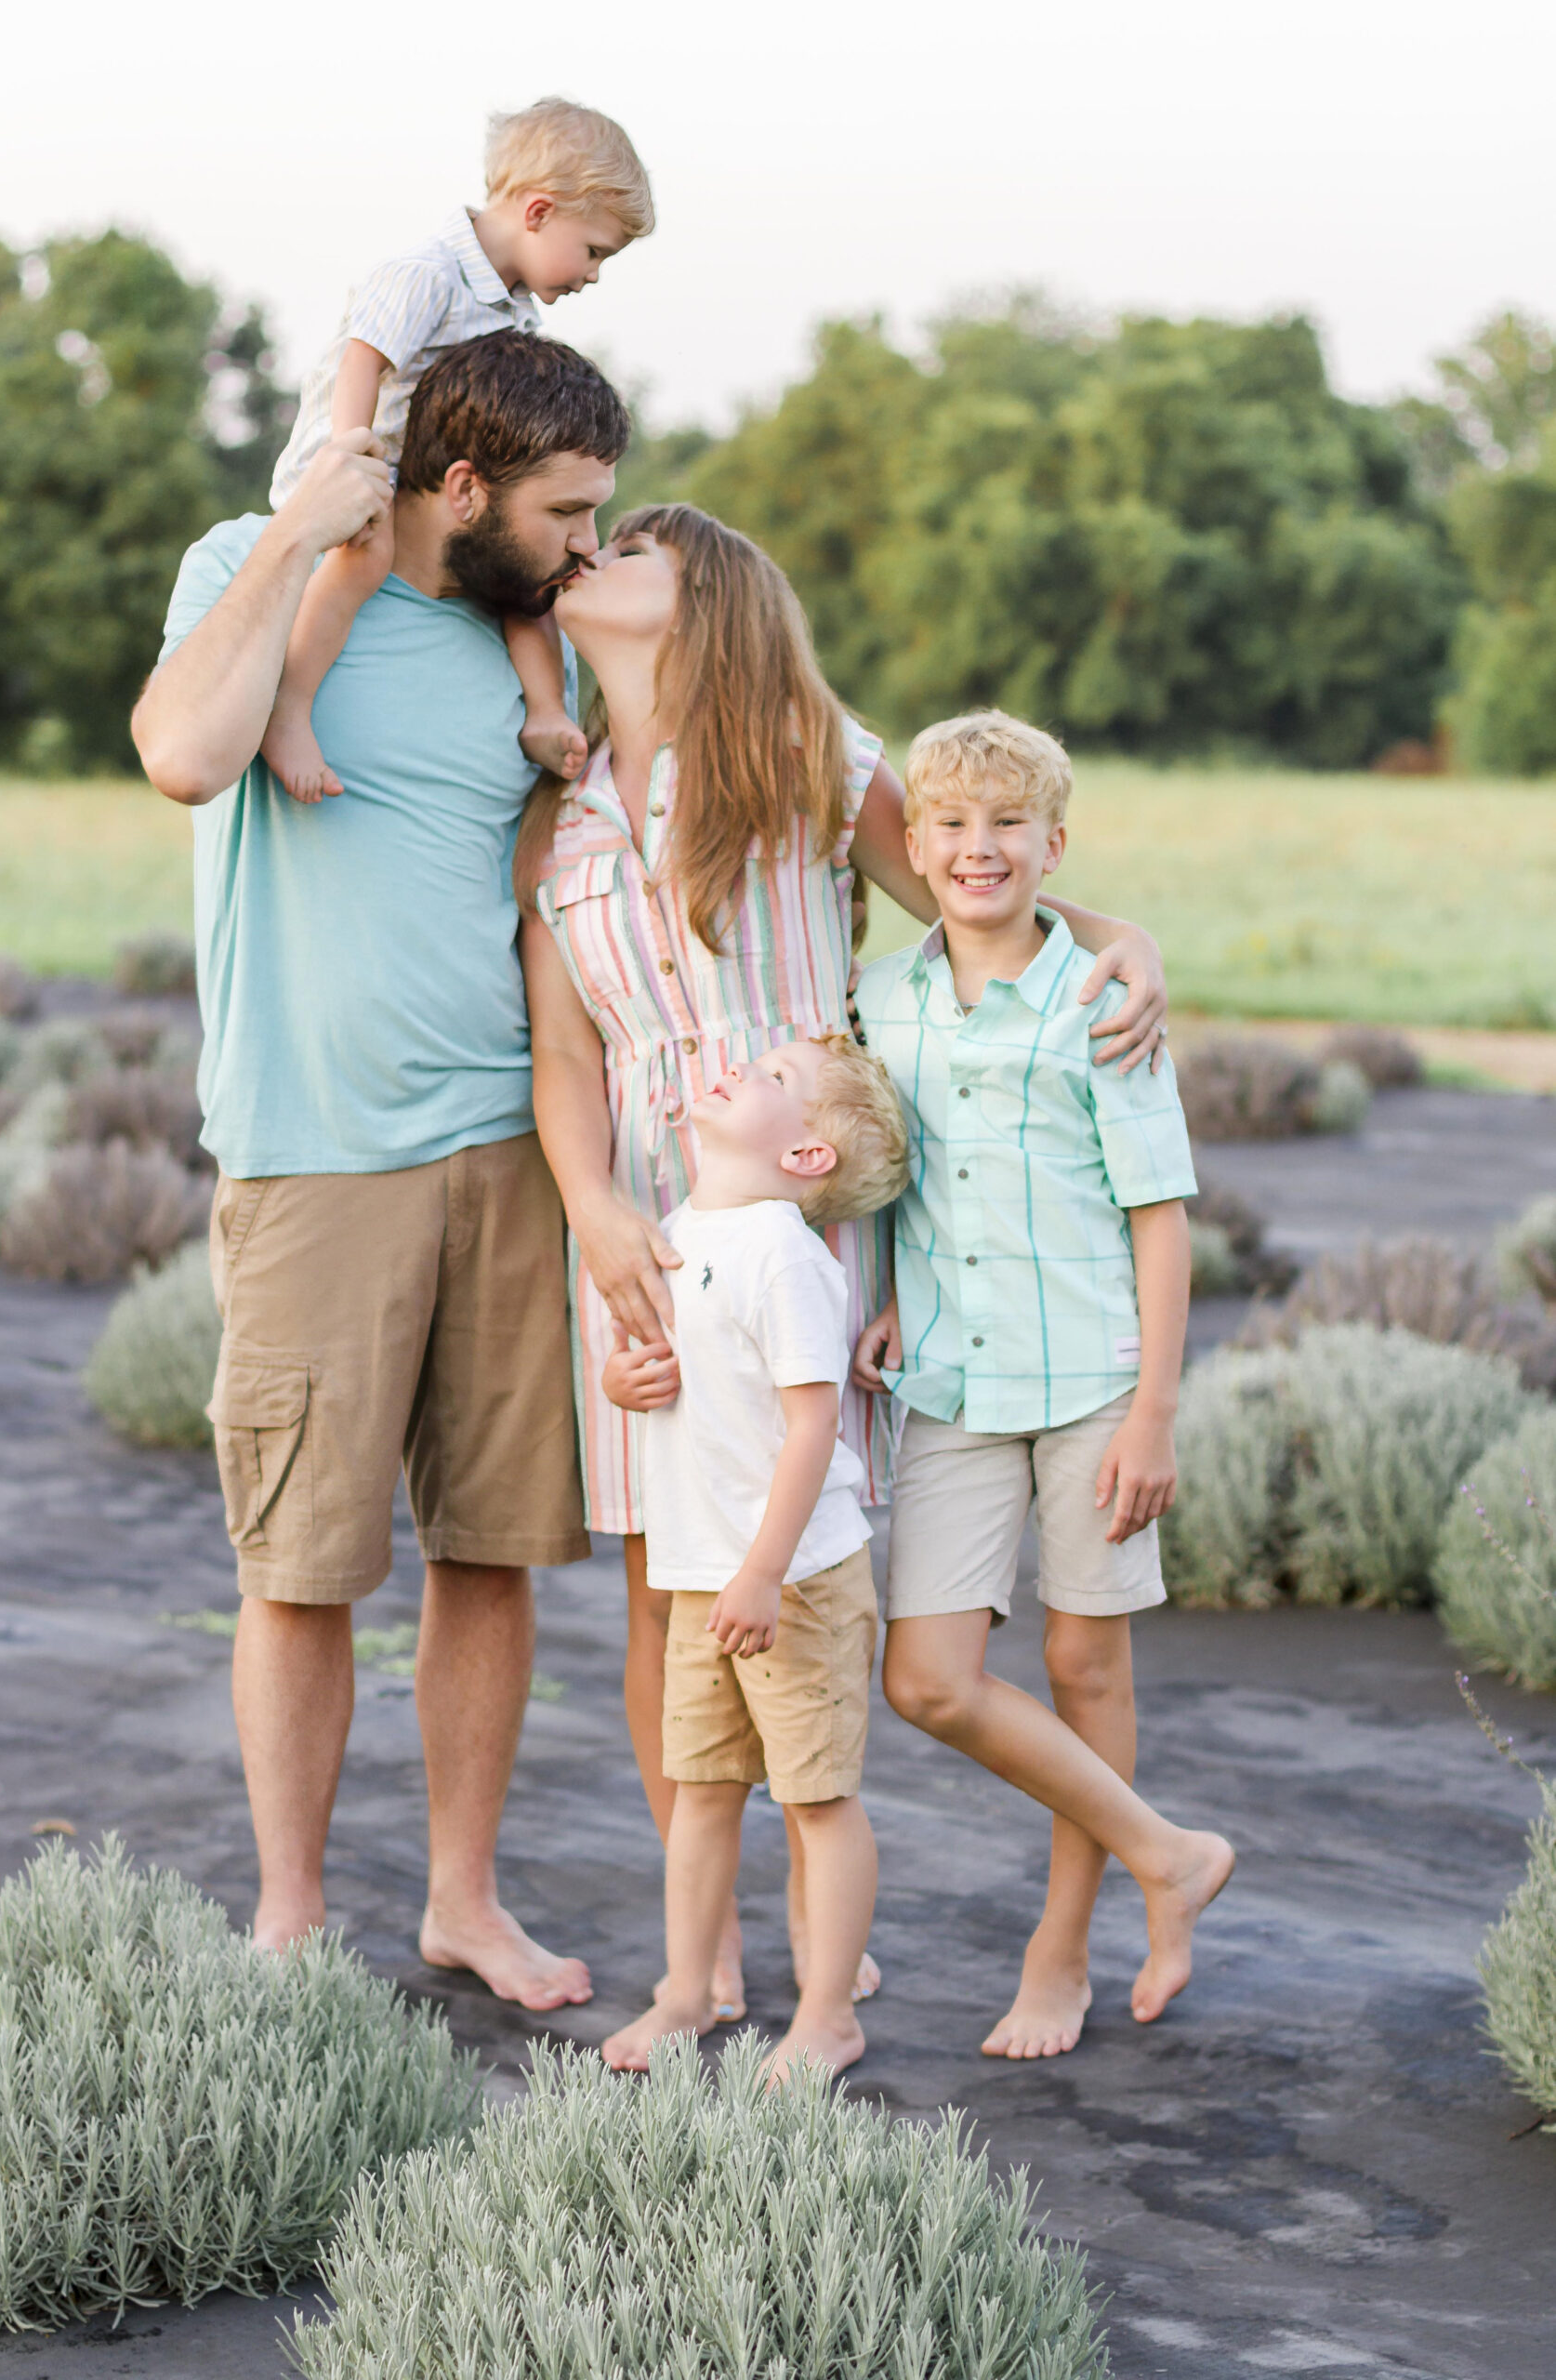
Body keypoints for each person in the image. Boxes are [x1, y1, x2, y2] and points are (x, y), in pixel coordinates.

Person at [517, 506, 1174, 2021]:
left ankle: (830, 1924)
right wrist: (594, 1204)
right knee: (664, 1590)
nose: (591, 555)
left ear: (703, 606)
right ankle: (713, 1956)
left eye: (630, 550)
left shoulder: (808, 759)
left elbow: (974, 898)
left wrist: (1119, 932)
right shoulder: (554, 815)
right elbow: (563, 1053)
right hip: (642, 1244)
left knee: (805, 1580)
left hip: (815, 1244)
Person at [130, 330, 632, 2011]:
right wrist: (292, 539)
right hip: (314, 1155)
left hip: (506, 1147)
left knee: (485, 1554)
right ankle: (288, 1914)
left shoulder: (531, 637)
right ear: (463, 481)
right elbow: (184, 755)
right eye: (566, 510)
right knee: (304, 1564)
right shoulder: (249, 567)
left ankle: (462, 1904)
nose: (584, 543)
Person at [853, 709, 1234, 2057]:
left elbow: (1158, 1218)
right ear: (911, 843)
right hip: (951, 1381)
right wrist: (893, 1289)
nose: (976, 848)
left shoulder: (1098, 999)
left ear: (1052, 844)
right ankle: (1165, 1852)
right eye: (947, 824)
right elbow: (907, 1170)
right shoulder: (880, 1001)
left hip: (1091, 1380)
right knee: (927, 1679)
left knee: (1081, 1659)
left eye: (1006, 826)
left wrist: (1153, 1414)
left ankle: (1059, 1949)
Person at [597, 1034, 910, 2078]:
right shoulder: (684, 1230)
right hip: (701, 1575)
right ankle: (686, 1994)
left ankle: (828, 2014)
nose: (746, 1068)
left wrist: (765, 1573)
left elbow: (814, 1428)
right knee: (702, 1791)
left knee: (818, 1800)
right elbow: (671, 1370)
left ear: (810, 1157)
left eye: (778, 1080)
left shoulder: (784, 1252)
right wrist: (622, 1380)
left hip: (794, 1581)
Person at [261, 99, 653, 803]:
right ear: (537, 213)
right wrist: (349, 470)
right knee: (360, 562)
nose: (593, 273)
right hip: (359, 472)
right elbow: (364, 363)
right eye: (593, 251)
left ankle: (544, 714)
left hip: (438, 489)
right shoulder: (426, 274)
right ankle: (289, 712)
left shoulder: (513, 307)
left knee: (524, 577)